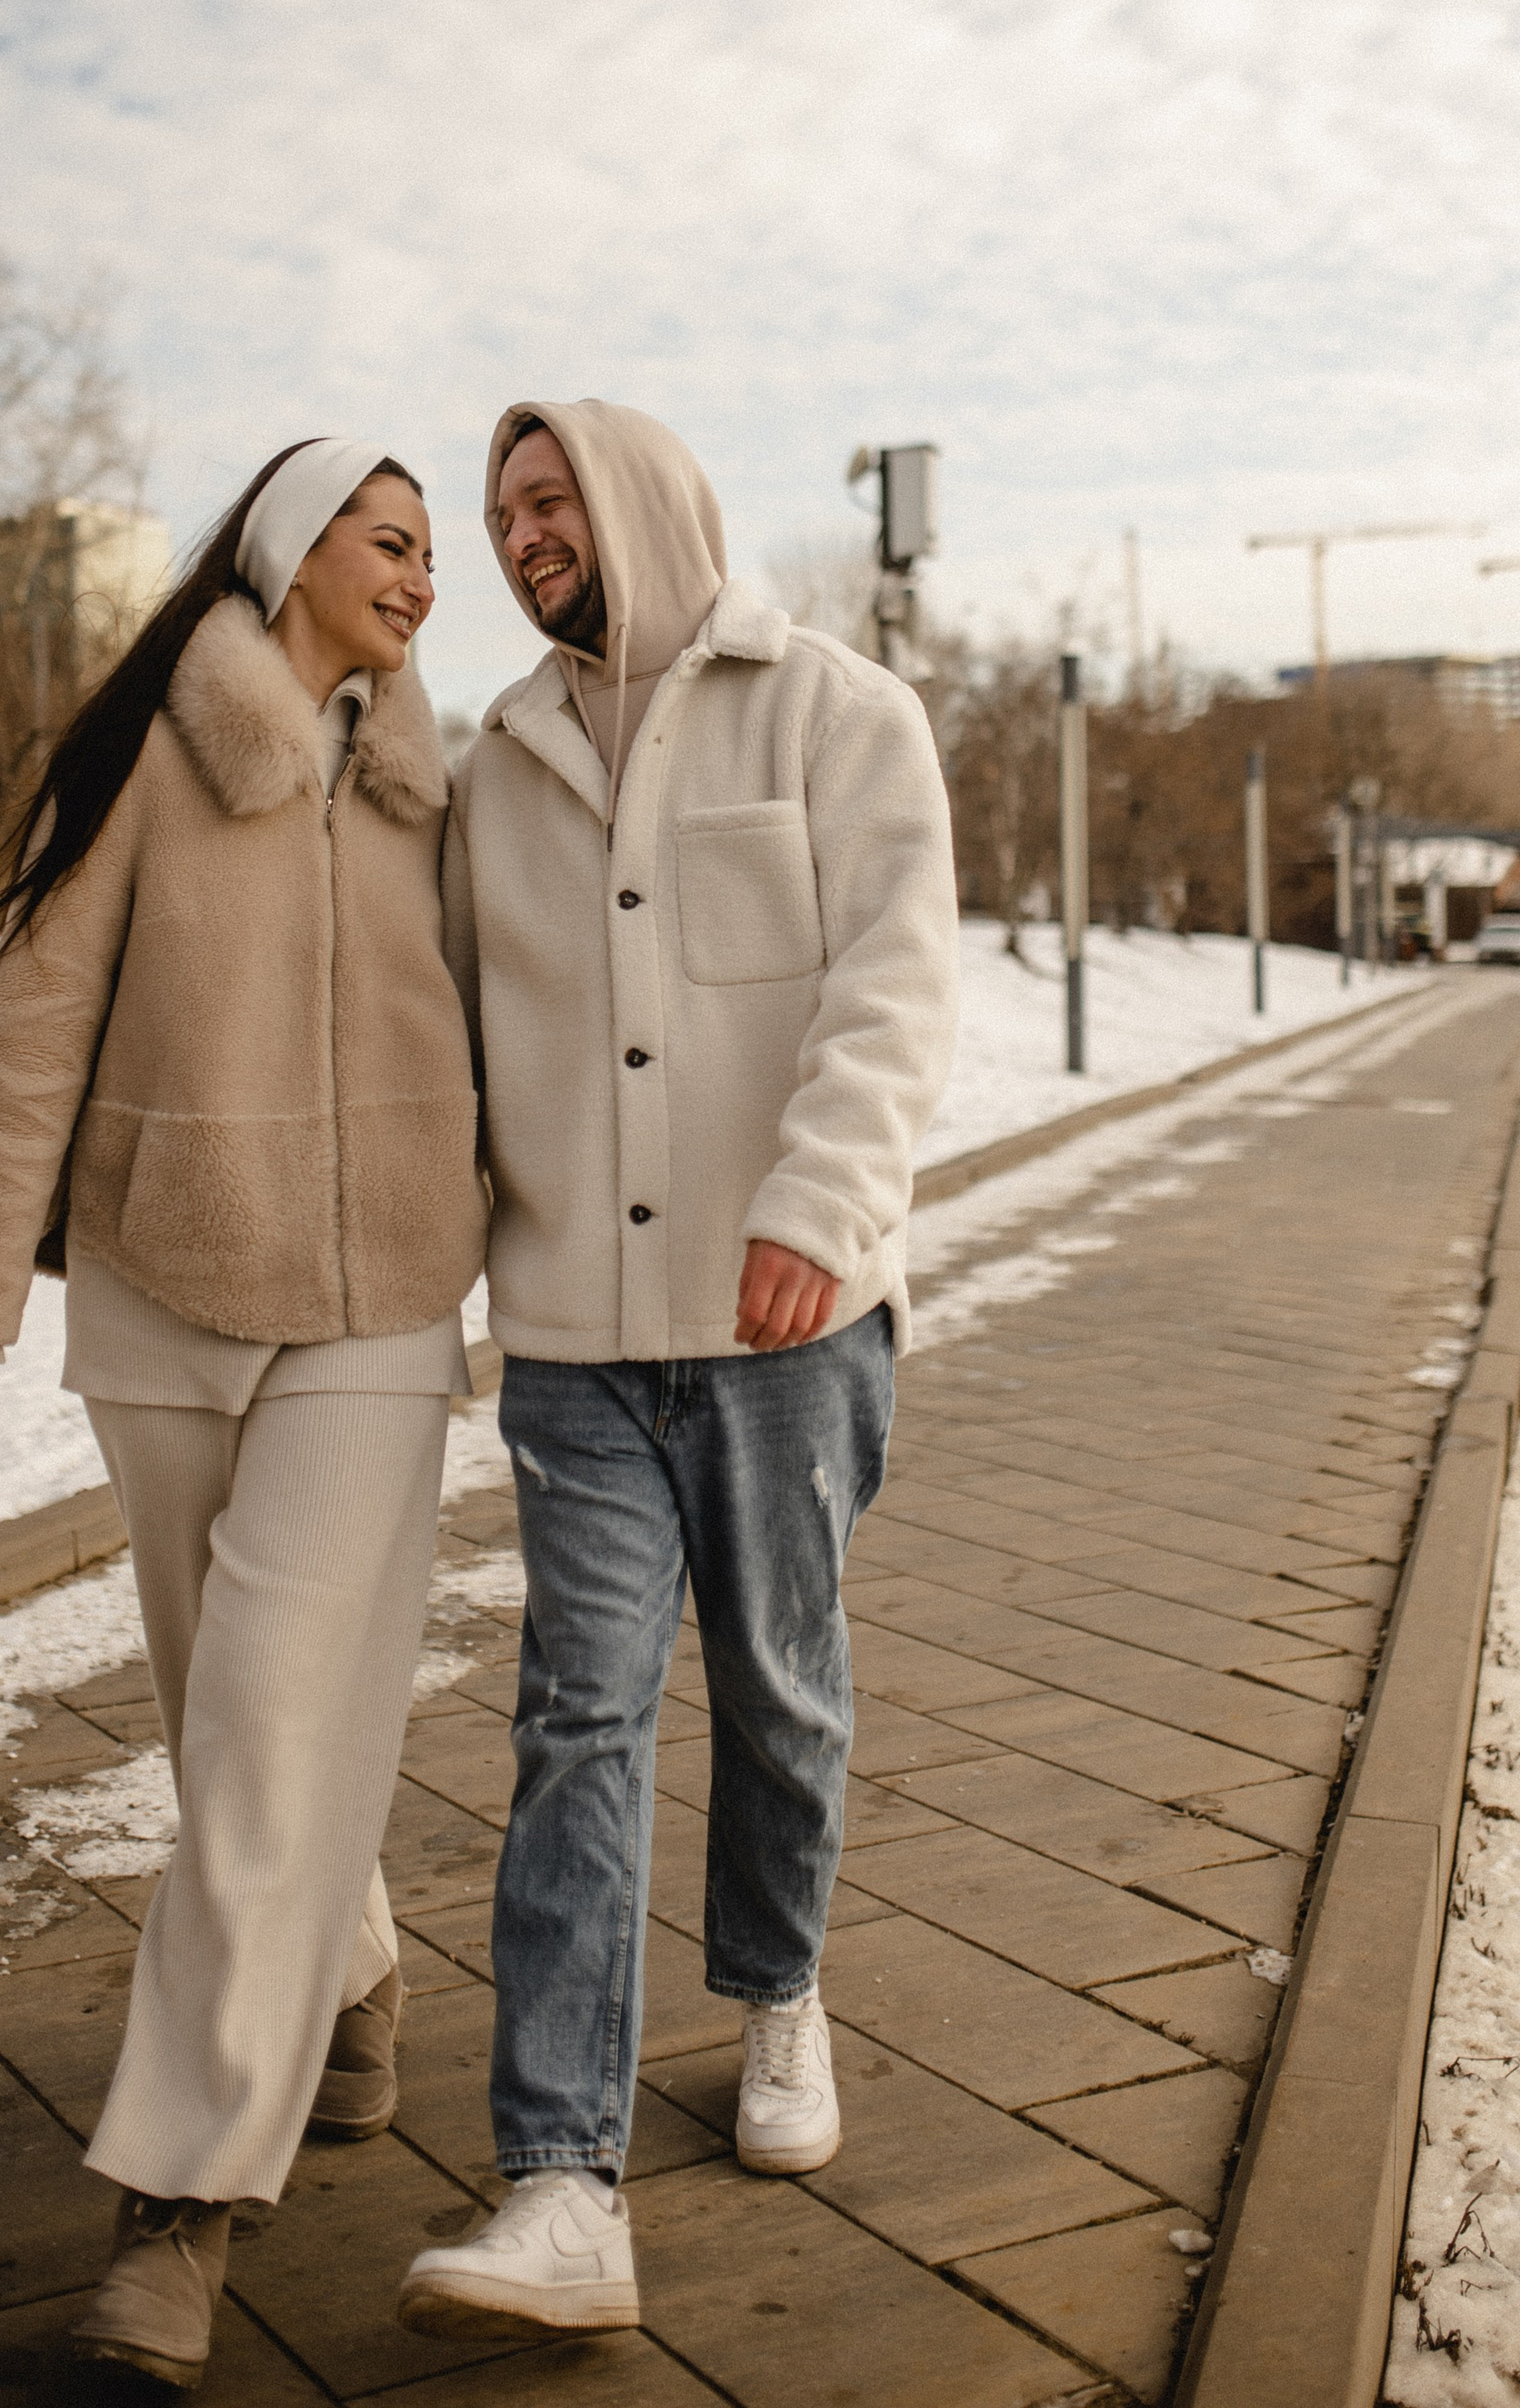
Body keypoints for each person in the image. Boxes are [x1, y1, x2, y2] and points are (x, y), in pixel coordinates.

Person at [0, 438, 485, 2395]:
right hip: (163, 1303)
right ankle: (361, 1965)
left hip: (384, 1307)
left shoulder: (432, 786)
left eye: (433, 553)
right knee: (235, 1718)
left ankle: (175, 2211)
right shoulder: (155, 744)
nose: (421, 577)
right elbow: (30, 1029)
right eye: (390, 541)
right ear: (284, 548)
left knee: (269, 1722)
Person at [401, 401, 958, 2343]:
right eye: (494, 513)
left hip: (789, 1326)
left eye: (545, 499)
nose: (517, 534)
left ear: (633, 501)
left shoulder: (832, 715)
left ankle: (777, 1994)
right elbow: (449, 1036)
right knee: (577, 1721)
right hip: (573, 1344)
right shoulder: (498, 756)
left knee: (781, 1693)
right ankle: (559, 2178)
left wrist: (817, 1202)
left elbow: (895, 983)